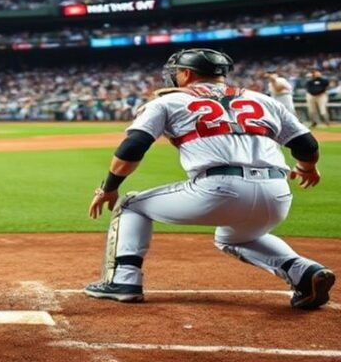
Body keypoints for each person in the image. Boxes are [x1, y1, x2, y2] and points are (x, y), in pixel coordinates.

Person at [84, 48, 335, 310]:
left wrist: (108, 188)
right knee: (234, 238)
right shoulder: (263, 99)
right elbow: (307, 145)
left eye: (176, 71)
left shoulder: (168, 101)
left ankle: (123, 280)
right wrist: (306, 168)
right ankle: (304, 272)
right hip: (278, 194)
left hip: (218, 189)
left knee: (130, 205)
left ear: (186, 73)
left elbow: (133, 146)